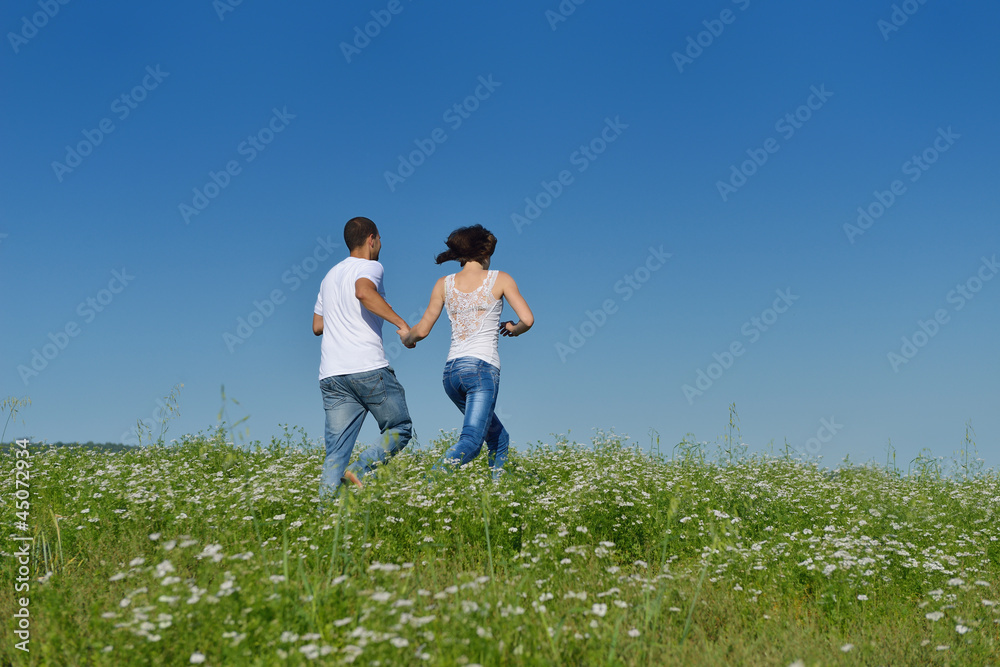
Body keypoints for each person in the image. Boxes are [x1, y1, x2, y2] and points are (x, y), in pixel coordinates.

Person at [404, 224, 533, 478]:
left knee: (498, 437)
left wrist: (406, 338)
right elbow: (527, 320)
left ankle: (497, 496)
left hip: (451, 374)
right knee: (472, 441)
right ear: (485, 253)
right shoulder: (501, 278)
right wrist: (513, 328)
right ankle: (428, 482)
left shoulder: (444, 283)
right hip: (481, 369)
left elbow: (421, 331)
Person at [313, 216, 415, 499]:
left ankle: (323, 518)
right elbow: (362, 292)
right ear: (372, 239)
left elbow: (317, 326)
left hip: (332, 374)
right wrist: (401, 324)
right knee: (400, 427)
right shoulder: (371, 266)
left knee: (335, 452)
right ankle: (360, 469)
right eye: (380, 240)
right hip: (367, 367)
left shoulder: (329, 277)